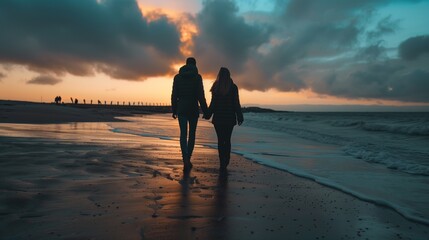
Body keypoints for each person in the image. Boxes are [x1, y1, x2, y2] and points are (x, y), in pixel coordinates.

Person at [171, 57, 208, 171]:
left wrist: (174, 110)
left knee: (183, 134)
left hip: (181, 108)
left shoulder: (177, 77)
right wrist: (206, 111)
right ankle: (188, 157)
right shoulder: (197, 77)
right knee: (192, 134)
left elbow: (174, 95)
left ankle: (185, 159)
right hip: (193, 108)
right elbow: (201, 96)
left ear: (186, 64)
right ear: (195, 64)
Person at [204, 67, 243, 171]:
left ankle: (222, 161)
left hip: (218, 119)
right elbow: (236, 103)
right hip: (229, 119)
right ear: (229, 75)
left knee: (221, 141)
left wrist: (208, 114)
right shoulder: (233, 87)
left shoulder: (216, 87)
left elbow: (213, 104)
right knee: (227, 140)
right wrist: (240, 116)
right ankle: (227, 159)